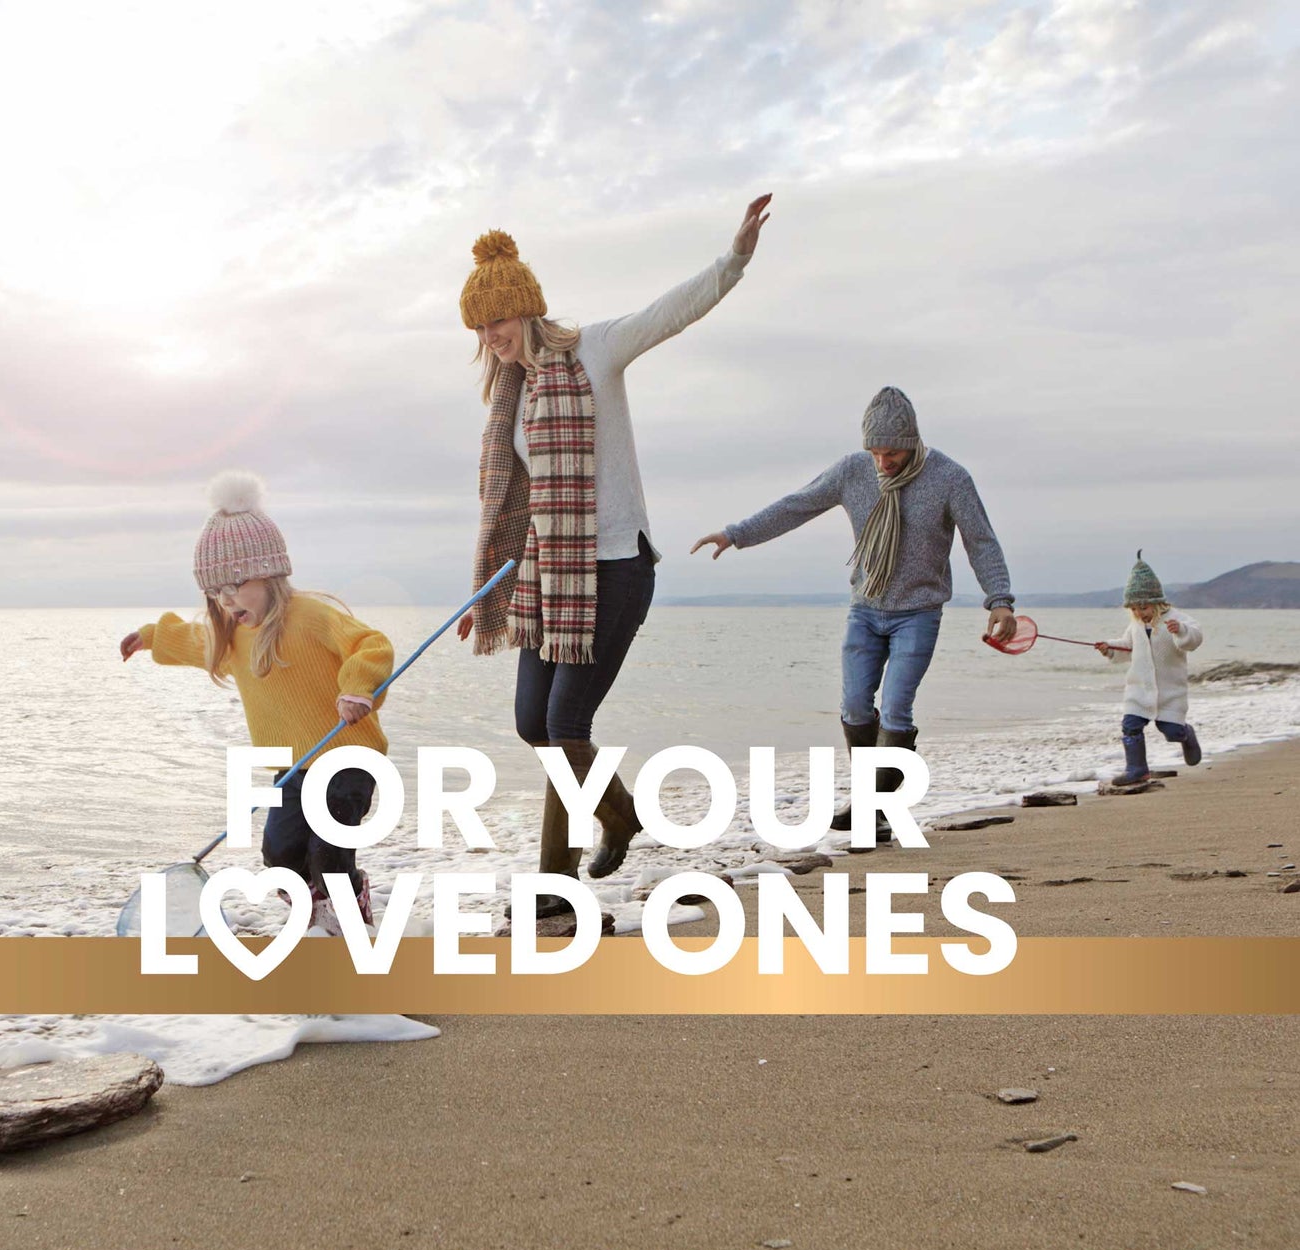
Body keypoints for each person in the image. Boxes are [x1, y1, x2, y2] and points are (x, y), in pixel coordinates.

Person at [455, 194, 771, 910]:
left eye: (498, 319)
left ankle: (565, 872)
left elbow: (669, 312)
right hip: (547, 577)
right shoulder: (512, 393)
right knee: (532, 723)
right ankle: (610, 822)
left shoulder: (593, 351)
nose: (491, 335)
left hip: (617, 568)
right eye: (480, 326)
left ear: (528, 309)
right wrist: (488, 595)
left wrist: (735, 259)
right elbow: (513, 512)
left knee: (567, 725)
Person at [692, 385, 1016, 839]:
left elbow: (980, 540)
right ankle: (879, 806)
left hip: (918, 612)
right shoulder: (853, 471)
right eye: (876, 452)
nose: (883, 462)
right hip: (865, 609)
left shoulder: (950, 478)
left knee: (897, 709)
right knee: (855, 706)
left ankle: (868, 810)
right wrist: (735, 534)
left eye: (893, 453)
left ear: (913, 442)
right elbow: (795, 505)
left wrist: (999, 599)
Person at [120, 472, 393, 932]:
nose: (227, 600)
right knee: (280, 854)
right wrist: (151, 637)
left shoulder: (311, 616)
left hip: (348, 756)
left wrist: (358, 688)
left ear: (270, 574)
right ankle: (318, 908)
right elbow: (195, 640)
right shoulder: (234, 636)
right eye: (215, 592)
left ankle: (348, 920)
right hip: (291, 766)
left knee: (328, 850)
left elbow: (370, 645)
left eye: (237, 584)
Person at [1095, 551, 1203, 784]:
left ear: (1157, 603)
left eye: (1143, 607)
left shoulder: (1176, 619)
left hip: (1169, 691)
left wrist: (1181, 630)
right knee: (1130, 726)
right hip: (1139, 690)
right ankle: (1137, 769)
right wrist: (1109, 648)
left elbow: (1194, 639)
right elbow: (1128, 647)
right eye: (1134, 609)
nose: (1139, 613)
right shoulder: (1135, 625)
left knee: (1171, 732)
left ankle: (1186, 735)